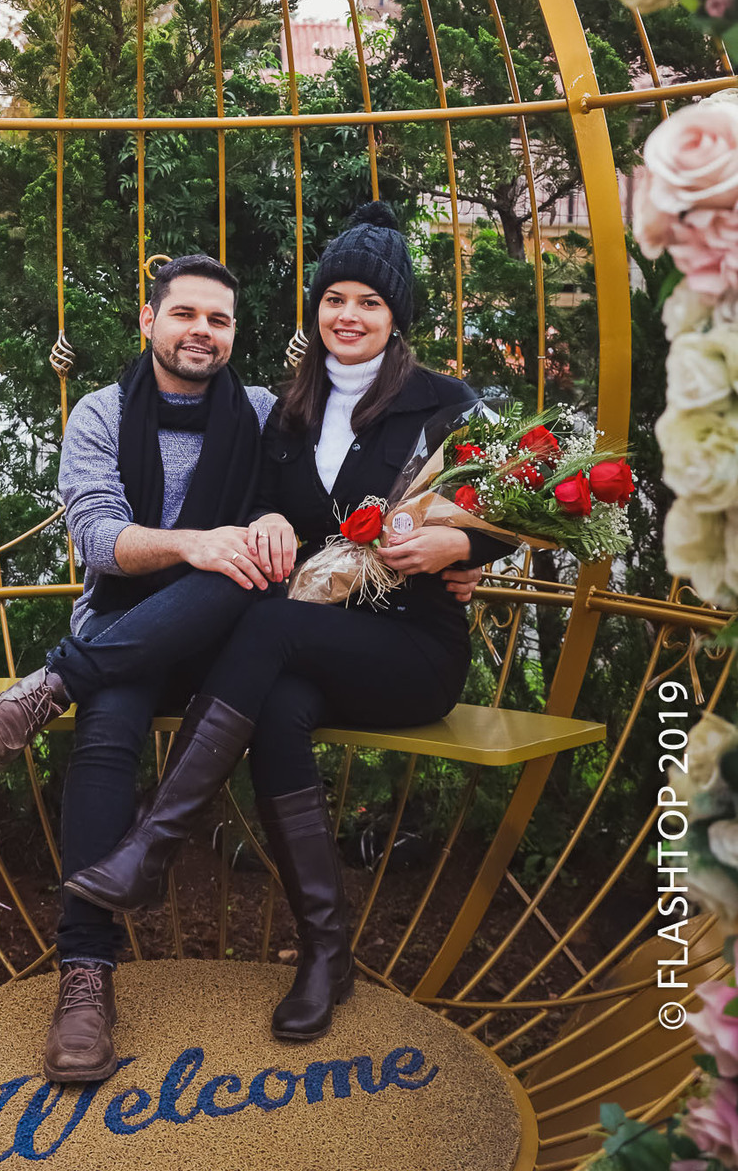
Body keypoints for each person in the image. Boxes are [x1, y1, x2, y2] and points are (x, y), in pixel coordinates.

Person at [65, 203, 496, 1045]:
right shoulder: (289, 412)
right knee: (279, 704)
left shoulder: (444, 403)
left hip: (410, 648)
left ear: (396, 316)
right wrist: (262, 519)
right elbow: (269, 507)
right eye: (335, 298)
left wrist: (460, 542)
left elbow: (513, 509)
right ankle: (327, 953)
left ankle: (155, 840)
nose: (348, 315)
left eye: (370, 302)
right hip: (318, 641)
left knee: (268, 629)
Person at [0, 254, 282, 1085]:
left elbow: (322, 505)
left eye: (218, 320)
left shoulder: (264, 414)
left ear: (233, 334)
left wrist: (275, 517)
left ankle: (52, 683)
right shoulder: (101, 413)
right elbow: (96, 537)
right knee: (108, 729)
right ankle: (86, 976)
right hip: (126, 628)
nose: (201, 332)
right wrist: (193, 543)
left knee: (235, 579)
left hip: (225, 645)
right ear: (149, 323)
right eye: (184, 315)